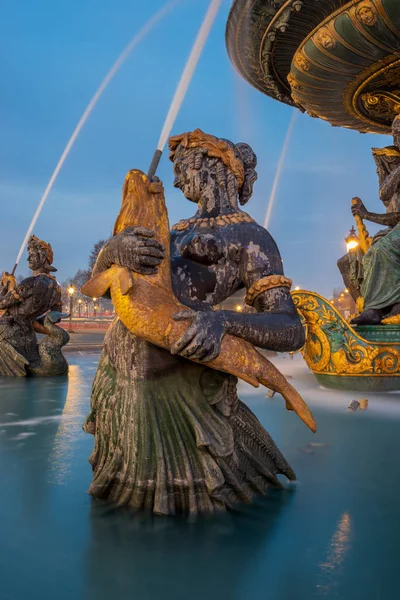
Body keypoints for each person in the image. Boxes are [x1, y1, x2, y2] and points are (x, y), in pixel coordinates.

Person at [84, 129, 305, 515]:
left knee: (180, 504)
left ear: (214, 166)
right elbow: (107, 289)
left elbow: (290, 328)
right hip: (122, 376)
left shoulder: (251, 237)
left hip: (181, 382)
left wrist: (221, 321)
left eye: (183, 166)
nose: (175, 179)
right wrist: (111, 252)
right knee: (128, 504)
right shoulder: (171, 229)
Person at [351, 116, 400, 325]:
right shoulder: (390, 161)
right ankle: (377, 308)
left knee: (383, 249)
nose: (397, 137)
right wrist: (367, 214)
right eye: (396, 132)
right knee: (372, 252)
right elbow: (385, 196)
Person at [0, 235, 63, 375]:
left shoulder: (31, 283)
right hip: (29, 338)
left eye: (32, 255)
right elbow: (55, 317)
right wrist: (34, 321)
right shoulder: (57, 288)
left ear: (42, 258)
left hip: (8, 334)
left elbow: (2, 304)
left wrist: (5, 286)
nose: (28, 259)